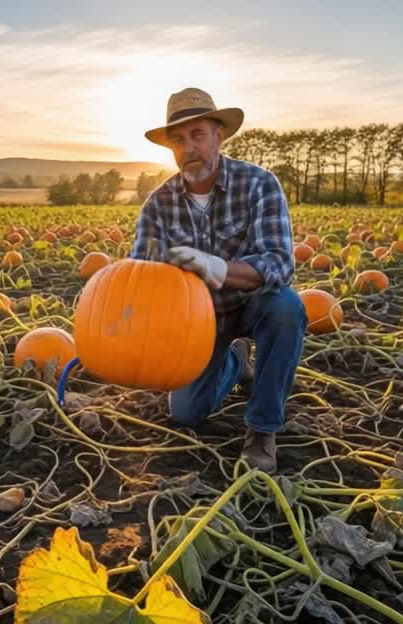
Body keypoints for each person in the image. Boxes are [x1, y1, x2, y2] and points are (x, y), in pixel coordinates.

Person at [130, 87, 305, 472]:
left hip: (253, 304)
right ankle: (234, 362)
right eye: (178, 139)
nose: (188, 147)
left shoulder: (259, 184)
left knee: (287, 309)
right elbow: (137, 275)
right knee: (186, 415)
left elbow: (279, 263)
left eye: (197, 134)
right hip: (196, 322)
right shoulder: (158, 205)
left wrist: (218, 267)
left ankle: (262, 428)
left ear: (219, 136)